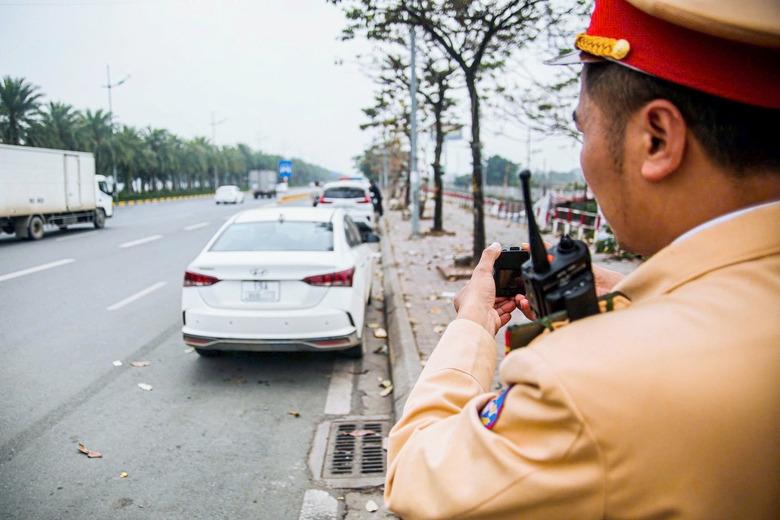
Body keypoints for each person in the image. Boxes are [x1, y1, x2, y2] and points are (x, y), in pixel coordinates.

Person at [384, 0, 780, 518]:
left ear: (656, 138)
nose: (584, 155)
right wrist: (633, 303)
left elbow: (414, 472)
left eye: (583, 130)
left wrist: (473, 328)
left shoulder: (583, 385)